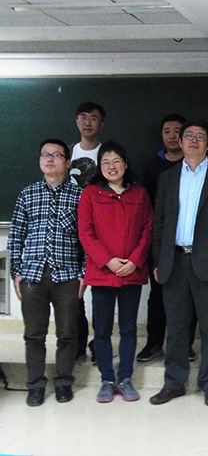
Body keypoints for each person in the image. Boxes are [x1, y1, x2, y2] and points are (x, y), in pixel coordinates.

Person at [149, 119, 208, 407]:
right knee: (176, 328)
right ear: (180, 141)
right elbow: (159, 222)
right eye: (188, 135)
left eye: (199, 137)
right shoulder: (167, 178)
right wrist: (158, 260)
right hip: (173, 262)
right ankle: (174, 383)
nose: (192, 140)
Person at [8, 139, 83, 406]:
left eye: (56, 155)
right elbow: (16, 236)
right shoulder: (27, 194)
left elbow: (87, 237)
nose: (50, 159)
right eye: (45, 154)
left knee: (67, 333)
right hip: (32, 276)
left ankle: (63, 382)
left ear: (68, 162)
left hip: (67, 275)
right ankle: (36, 385)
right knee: (34, 334)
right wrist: (16, 273)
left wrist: (83, 273)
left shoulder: (80, 195)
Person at [78, 141, 153, 403]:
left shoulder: (139, 194)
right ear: (100, 167)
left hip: (131, 272)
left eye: (116, 161)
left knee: (129, 328)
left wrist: (134, 261)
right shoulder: (90, 193)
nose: (111, 167)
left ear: (126, 164)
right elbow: (85, 233)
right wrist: (108, 261)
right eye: (106, 162)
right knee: (101, 330)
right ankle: (107, 380)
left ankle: (125, 378)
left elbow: (148, 230)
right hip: (102, 273)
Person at [137, 113, 198, 364]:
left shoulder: (196, 166)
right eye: (167, 131)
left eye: (177, 131)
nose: (172, 136)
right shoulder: (153, 167)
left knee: (190, 296)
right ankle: (154, 343)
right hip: (161, 242)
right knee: (158, 295)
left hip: (191, 243)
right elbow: (147, 207)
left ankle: (185, 344)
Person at [71, 101, 106, 363]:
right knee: (74, 291)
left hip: (101, 232)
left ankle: (99, 342)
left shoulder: (107, 153)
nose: (87, 122)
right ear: (77, 121)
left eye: (93, 118)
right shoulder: (66, 153)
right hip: (71, 232)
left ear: (101, 124)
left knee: (100, 291)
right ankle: (77, 342)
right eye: (83, 117)